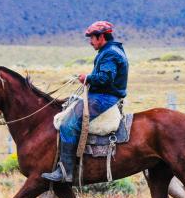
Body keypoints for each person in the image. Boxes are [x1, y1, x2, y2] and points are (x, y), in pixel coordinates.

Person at [42, 21, 129, 182]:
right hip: (105, 94)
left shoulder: (110, 53)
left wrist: (87, 78)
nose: (90, 42)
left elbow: (105, 78)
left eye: (92, 38)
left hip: (105, 98)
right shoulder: (111, 50)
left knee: (68, 124)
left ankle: (66, 171)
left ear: (102, 37)